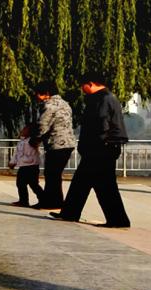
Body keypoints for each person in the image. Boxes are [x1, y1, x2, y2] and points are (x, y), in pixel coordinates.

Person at [54, 72, 131, 229]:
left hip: (101, 147)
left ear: (90, 83)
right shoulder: (108, 97)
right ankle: (69, 213)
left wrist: (93, 144)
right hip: (103, 147)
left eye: (83, 85)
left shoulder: (102, 99)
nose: (82, 89)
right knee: (81, 182)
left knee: (105, 185)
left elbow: (101, 124)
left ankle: (118, 220)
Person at [33, 80, 76, 209]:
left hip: (56, 143)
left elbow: (43, 126)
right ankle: (55, 200)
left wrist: (35, 139)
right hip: (68, 143)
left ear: (46, 93)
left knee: (51, 174)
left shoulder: (49, 105)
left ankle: (51, 202)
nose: (36, 96)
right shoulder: (65, 104)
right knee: (55, 174)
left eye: (38, 94)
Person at [10, 124, 43, 207]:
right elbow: (16, 154)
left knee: (34, 184)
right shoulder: (21, 142)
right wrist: (13, 162)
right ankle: (23, 201)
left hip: (32, 166)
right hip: (23, 166)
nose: (22, 130)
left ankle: (43, 199)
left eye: (25, 129)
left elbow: (38, 150)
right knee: (20, 183)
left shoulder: (32, 141)